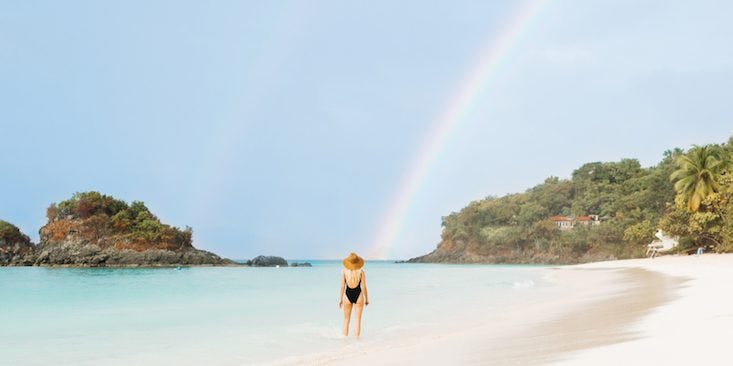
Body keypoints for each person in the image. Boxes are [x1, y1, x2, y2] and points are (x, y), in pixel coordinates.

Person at [339, 252, 369, 337]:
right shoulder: (361, 272)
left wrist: (340, 299)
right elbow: (364, 287)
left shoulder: (344, 271)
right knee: (358, 320)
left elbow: (342, 286)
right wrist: (367, 299)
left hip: (347, 295)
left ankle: (344, 341)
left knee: (346, 319)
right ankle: (357, 343)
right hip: (358, 295)